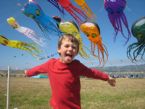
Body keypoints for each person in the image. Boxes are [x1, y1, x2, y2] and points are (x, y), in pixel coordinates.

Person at [25, 33, 116, 109]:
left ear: (76, 52)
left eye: (74, 47)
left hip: (73, 107)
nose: (70, 49)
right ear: (59, 49)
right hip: (56, 107)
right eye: (67, 46)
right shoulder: (51, 64)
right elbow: (38, 69)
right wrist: (28, 73)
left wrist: (106, 77)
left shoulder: (76, 65)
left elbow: (91, 72)